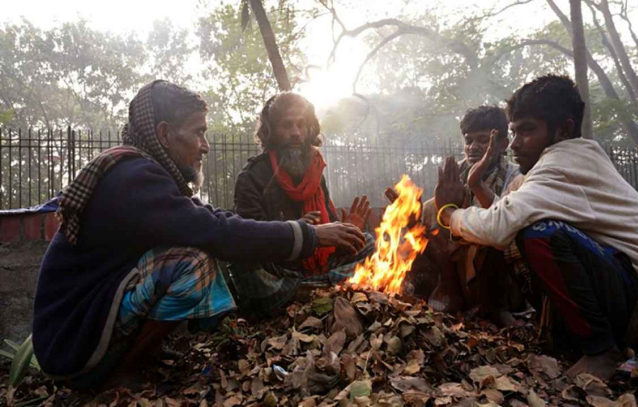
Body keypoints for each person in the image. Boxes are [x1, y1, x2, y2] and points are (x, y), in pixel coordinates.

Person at [32, 80, 365, 389]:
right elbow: (217, 231)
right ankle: (121, 373)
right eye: (199, 133)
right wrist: (310, 235)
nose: (205, 146)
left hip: (85, 325)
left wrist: (322, 232)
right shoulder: (134, 178)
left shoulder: (146, 173)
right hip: (72, 344)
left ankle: (135, 358)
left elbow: (210, 218)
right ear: (164, 133)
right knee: (195, 262)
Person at [434, 74, 638, 380]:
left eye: (527, 130)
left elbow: (498, 225)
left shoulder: (560, 166)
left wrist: (448, 213)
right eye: (514, 132)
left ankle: (602, 352)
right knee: (524, 233)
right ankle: (586, 341)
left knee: (540, 235)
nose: (515, 143)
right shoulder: (563, 161)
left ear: (564, 129)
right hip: (635, 296)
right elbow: (507, 213)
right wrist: (474, 188)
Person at [230, 92, 375, 314]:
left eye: (301, 125)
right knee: (242, 262)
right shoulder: (252, 177)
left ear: (310, 130)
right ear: (271, 132)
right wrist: (298, 231)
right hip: (280, 272)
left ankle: (311, 290)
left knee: (367, 243)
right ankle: (328, 289)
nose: (296, 133)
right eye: (287, 125)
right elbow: (251, 239)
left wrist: (349, 231)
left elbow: (330, 232)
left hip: (318, 270)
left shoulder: (317, 172)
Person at [385, 106, 523, 318]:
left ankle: (492, 309)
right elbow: (436, 212)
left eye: (483, 140)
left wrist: (453, 211)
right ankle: (435, 294)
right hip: (455, 261)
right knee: (415, 231)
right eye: (469, 141)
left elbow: (501, 223)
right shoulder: (456, 172)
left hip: (497, 269)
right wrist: (411, 216)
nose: (473, 147)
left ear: (503, 145)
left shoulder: (515, 177)